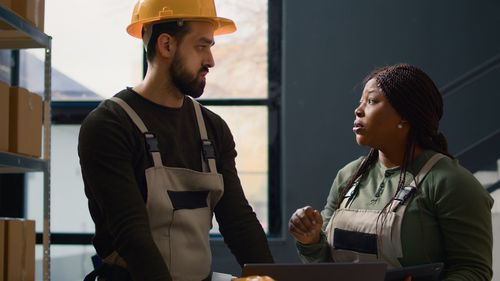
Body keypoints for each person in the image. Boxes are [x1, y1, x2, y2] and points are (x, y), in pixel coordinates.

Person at [78, 0, 274, 280]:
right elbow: (131, 234)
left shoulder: (212, 128)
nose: (210, 61)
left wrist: (269, 276)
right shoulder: (109, 125)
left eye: (210, 47)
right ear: (166, 45)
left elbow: (238, 220)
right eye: (201, 46)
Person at [288, 63, 494, 280]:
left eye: (371, 101)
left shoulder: (450, 183)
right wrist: (309, 240)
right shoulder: (348, 176)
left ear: (405, 116)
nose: (358, 110)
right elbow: (327, 264)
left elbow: (473, 271)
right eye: (360, 102)